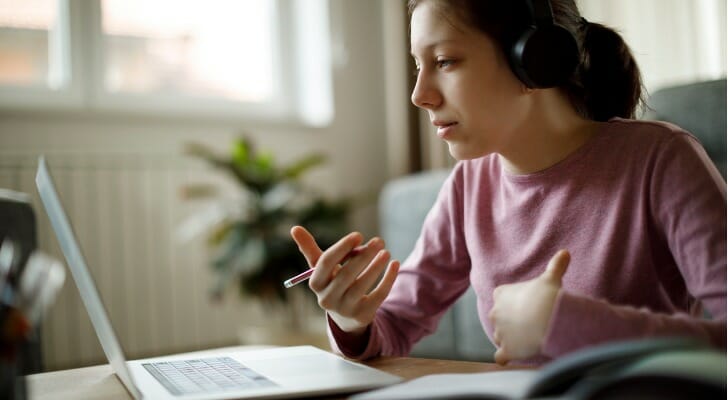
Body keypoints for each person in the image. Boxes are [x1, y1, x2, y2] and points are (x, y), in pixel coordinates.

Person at [290, 0, 726, 365]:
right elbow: (396, 323)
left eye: (444, 61)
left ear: (536, 59)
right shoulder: (468, 186)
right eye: (418, 66)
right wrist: (352, 319)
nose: (419, 93)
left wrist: (578, 327)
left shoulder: (660, 159)